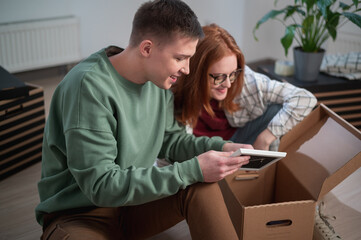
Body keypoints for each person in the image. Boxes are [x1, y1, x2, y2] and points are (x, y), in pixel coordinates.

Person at [36, 1, 252, 239]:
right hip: (80, 216)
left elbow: (171, 141)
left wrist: (222, 148)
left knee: (201, 184)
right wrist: (192, 170)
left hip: (132, 207)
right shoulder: (87, 87)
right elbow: (101, 186)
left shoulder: (159, 81)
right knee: (195, 174)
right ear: (147, 48)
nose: (187, 70)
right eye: (180, 58)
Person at [172, 24, 317, 151]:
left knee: (276, 109)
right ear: (197, 73)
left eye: (232, 74)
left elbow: (304, 98)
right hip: (197, 152)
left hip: (238, 142)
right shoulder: (173, 86)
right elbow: (171, 150)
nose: (228, 84)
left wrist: (265, 138)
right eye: (219, 77)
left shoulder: (245, 79)